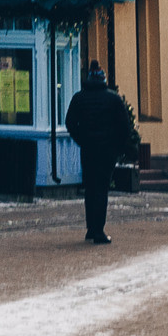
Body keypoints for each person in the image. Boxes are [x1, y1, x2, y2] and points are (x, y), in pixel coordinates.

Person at [64, 62, 136, 244]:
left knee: (90, 188)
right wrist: (117, 146)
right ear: (103, 78)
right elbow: (125, 127)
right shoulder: (113, 99)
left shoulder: (79, 98)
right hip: (107, 151)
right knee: (102, 189)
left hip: (88, 149)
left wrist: (82, 139)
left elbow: (70, 123)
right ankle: (99, 230)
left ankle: (91, 228)